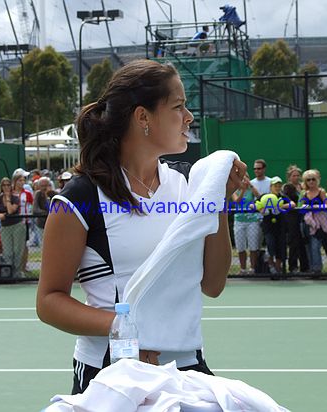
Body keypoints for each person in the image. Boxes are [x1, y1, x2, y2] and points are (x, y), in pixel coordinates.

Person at [36, 59, 245, 395]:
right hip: (112, 369)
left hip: (187, 368)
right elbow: (48, 301)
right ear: (143, 117)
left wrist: (216, 201)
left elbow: (213, 283)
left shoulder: (185, 186)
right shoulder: (82, 196)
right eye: (178, 106)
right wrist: (125, 332)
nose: (189, 116)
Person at [0, 178, 24, 277]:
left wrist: (7, 198)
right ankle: (8, 273)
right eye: (4, 185)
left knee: (17, 250)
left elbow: (11, 211)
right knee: (7, 251)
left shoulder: (15, 198)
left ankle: (17, 272)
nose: (6, 187)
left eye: (8, 185)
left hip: (17, 226)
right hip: (5, 227)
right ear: (1, 187)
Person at [231, 173, 259, 274]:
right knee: (240, 246)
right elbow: (237, 202)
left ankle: (252, 268)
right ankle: (243, 269)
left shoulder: (251, 189)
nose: (243, 180)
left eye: (245, 178)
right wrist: (242, 190)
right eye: (241, 178)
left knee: (253, 246)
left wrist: (250, 186)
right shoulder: (234, 191)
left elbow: (259, 196)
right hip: (239, 221)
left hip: (252, 221)